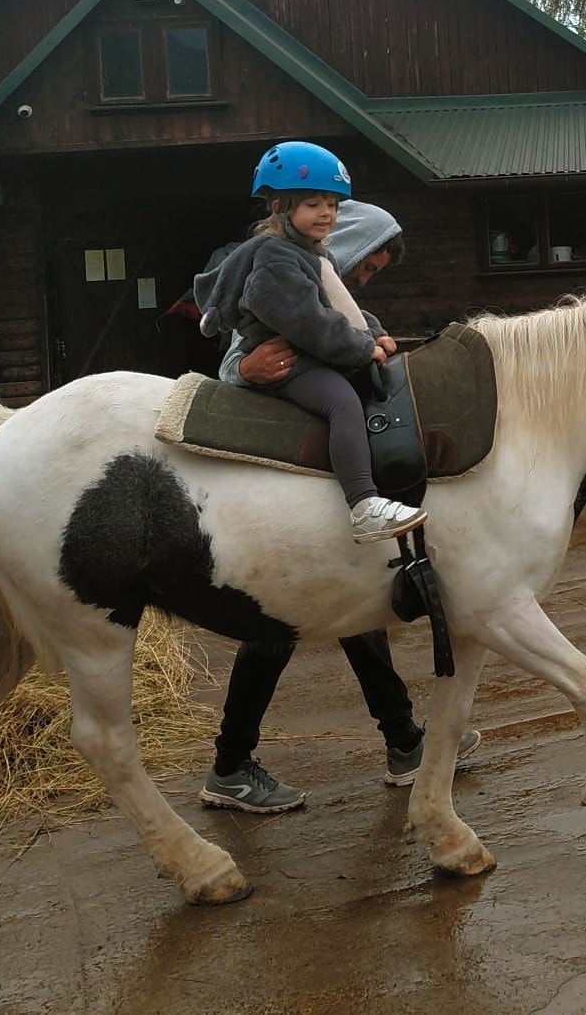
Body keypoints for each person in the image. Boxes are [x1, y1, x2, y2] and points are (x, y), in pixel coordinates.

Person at [198, 191, 481, 813]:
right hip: (277, 486)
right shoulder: (289, 276)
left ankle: (403, 739)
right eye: (367, 266)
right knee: (276, 622)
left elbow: (353, 337)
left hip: (322, 481)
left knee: (352, 609)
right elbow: (233, 364)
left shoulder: (333, 289)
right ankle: (231, 763)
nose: (367, 279)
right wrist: (245, 370)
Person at [192, 141, 425, 546]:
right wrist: (361, 349)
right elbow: (308, 321)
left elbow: (340, 306)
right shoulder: (276, 259)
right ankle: (363, 505)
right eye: (313, 204)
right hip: (293, 361)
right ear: (279, 205)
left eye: (332, 205)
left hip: (312, 352)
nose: (326, 213)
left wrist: (374, 332)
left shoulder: (315, 256)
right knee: (342, 403)